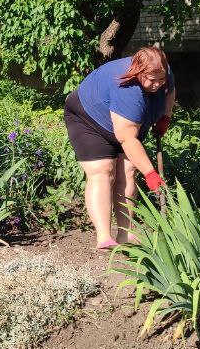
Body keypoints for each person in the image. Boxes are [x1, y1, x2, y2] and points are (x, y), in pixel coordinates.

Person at [63, 46, 176, 250]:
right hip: (89, 119)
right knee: (103, 171)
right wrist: (151, 174)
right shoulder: (127, 88)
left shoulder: (162, 70)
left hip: (128, 122)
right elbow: (127, 139)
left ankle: (126, 233)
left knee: (128, 170)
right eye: (152, 80)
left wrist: (165, 116)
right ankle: (104, 238)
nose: (158, 84)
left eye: (161, 79)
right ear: (139, 73)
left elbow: (170, 92)